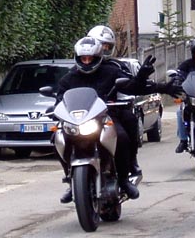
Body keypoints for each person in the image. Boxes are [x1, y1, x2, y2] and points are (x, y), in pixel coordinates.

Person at [54, 36, 156, 203]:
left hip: (106, 117)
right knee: (57, 138)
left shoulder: (111, 72)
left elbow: (131, 87)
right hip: (77, 122)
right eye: (83, 59)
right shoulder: (69, 78)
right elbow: (60, 99)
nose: (87, 62)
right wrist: (56, 110)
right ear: (78, 58)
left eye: (90, 58)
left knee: (121, 137)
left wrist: (141, 76)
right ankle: (71, 181)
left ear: (98, 57)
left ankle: (123, 180)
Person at [87, 24, 143, 175]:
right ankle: (70, 173)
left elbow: (130, 84)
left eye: (107, 46)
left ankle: (131, 162)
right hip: (85, 115)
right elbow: (66, 89)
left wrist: (140, 79)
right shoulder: (80, 66)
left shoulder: (117, 66)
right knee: (58, 135)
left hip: (111, 110)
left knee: (128, 124)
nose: (104, 49)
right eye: (101, 45)